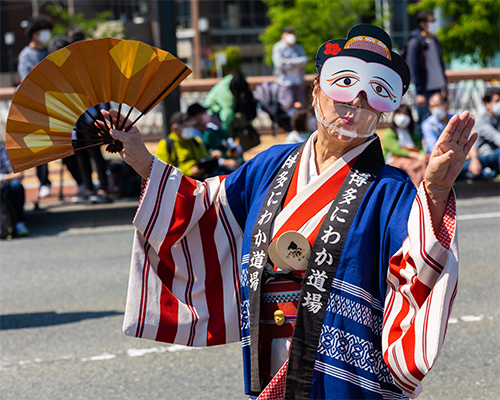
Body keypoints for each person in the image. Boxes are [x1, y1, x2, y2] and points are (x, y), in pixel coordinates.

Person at [105, 24, 476, 399]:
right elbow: (206, 207)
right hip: (270, 351)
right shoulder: (270, 164)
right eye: (344, 88)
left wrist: (435, 191)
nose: (355, 105)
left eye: (373, 97)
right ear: (316, 90)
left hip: (342, 363)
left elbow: (419, 262)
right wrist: (142, 160)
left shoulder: (389, 187)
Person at [17, 15, 54, 199]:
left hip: (56, 104)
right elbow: (26, 80)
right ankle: (44, 182)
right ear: (34, 34)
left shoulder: (51, 51)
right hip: (36, 106)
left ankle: (81, 182)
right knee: (40, 146)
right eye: (42, 31)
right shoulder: (26, 55)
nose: (46, 35)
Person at [422, 92, 483, 180]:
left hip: (464, 157)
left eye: (438, 105)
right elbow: (435, 150)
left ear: (447, 104)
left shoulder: (457, 118)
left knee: (482, 159)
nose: (436, 109)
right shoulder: (428, 124)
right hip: (446, 161)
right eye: (432, 106)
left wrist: (474, 159)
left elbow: (470, 142)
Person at [406, 10, 448, 126]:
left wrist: (445, 83)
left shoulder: (435, 40)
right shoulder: (415, 43)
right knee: (424, 123)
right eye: (432, 21)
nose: (435, 24)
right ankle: (421, 144)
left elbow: (440, 63)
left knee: (439, 121)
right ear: (422, 24)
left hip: (438, 87)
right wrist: (419, 92)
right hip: (425, 90)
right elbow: (414, 68)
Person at [187, 103, 243, 172]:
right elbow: (204, 156)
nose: (205, 114)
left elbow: (228, 140)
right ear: (193, 118)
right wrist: (224, 162)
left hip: (230, 162)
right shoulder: (192, 134)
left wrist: (236, 149)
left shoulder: (211, 127)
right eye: (201, 113)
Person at [156, 111, 211, 179]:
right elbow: (164, 170)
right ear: (175, 128)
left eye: (191, 126)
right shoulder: (166, 144)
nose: (190, 128)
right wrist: (188, 171)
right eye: (186, 126)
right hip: (178, 184)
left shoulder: (196, 141)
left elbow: (205, 157)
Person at [382, 104, 427, 187]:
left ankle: (425, 187)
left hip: (413, 160)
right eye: (399, 114)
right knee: (411, 166)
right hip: (393, 160)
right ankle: (416, 189)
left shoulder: (413, 134)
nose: (402, 117)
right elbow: (397, 151)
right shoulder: (390, 132)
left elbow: (420, 148)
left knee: (423, 164)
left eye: (405, 114)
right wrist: (415, 155)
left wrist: (423, 155)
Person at [272, 27, 308, 111]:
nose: (291, 36)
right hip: (284, 82)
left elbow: (304, 60)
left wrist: (290, 62)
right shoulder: (278, 47)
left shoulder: (298, 47)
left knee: (301, 107)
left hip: (298, 81)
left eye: (292, 33)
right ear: (283, 36)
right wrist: (297, 64)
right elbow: (279, 64)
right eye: (288, 34)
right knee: (287, 106)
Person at [0, 143, 29, 238]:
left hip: (5, 184)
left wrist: (2, 178)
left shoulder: (3, 151)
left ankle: (19, 222)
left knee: (16, 186)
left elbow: (19, 174)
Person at [473, 87, 500, 176]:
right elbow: (497, 138)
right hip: (485, 158)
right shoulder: (481, 120)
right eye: (497, 101)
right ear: (487, 104)